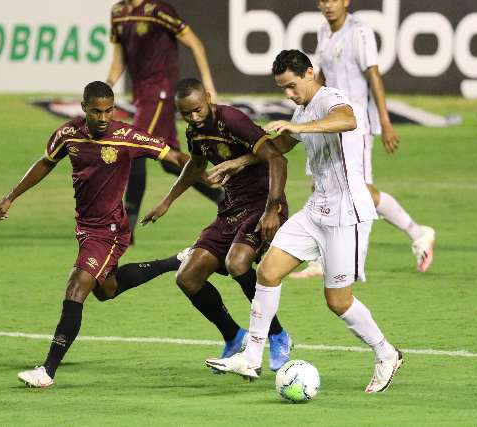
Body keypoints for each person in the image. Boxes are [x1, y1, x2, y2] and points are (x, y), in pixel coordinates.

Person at [205, 50, 403, 394]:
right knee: (267, 271)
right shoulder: (304, 109)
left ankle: (386, 353)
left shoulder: (330, 99)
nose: (289, 94)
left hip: (345, 214)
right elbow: (281, 144)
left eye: (292, 86)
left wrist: (298, 125)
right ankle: (251, 359)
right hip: (317, 210)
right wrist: (237, 162)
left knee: (338, 301)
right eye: (283, 89)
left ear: (310, 73)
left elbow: (347, 120)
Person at [0, 81, 189, 388]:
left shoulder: (127, 136)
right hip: (85, 228)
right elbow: (45, 163)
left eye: (109, 110)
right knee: (106, 289)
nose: (103, 117)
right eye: (96, 111)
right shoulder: (68, 135)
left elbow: (174, 157)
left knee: (76, 287)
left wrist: (210, 169)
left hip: (109, 230)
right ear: (83, 108)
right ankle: (176, 261)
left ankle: (47, 371)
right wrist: (10, 196)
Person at [140, 78, 293, 371]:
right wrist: (167, 201)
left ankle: (278, 335)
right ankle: (235, 336)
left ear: (208, 98)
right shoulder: (194, 131)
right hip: (231, 209)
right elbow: (196, 165)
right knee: (187, 277)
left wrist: (273, 209)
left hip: (262, 204)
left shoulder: (231, 120)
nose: (194, 118)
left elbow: (277, 158)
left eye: (198, 110)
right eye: (186, 114)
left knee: (237, 263)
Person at [290, 0, 435, 279]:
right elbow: (321, 76)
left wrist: (385, 121)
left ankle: (398, 243)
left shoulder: (360, 32)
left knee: (361, 192)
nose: (327, 5)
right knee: (322, 185)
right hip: (330, 122)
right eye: (322, 0)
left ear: (346, 1)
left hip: (355, 126)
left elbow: (374, 75)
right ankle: (323, 261)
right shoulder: (324, 31)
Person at [106, 0, 223, 241]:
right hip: (142, 95)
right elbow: (120, 59)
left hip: (160, 92)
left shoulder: (158, 10)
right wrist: (107, 85)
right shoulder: (118, 12)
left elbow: (196, 44)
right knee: (172, 162)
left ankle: (127, 227)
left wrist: (208, 85)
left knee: (134, 148)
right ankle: (224, 196)